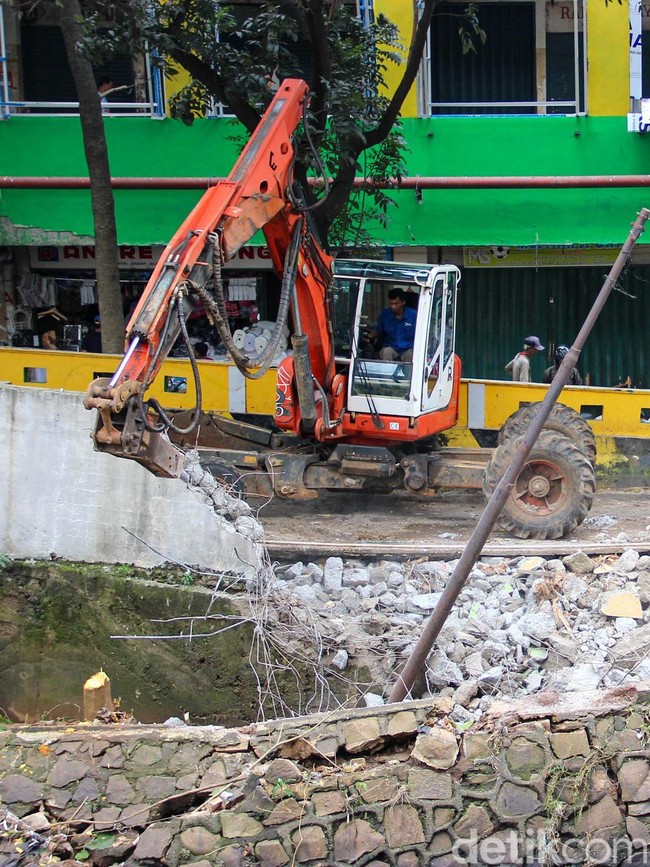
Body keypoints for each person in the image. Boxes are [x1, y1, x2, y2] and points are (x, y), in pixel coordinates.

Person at [368, 287, 417, 362]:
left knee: (410, 355)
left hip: (408, 348)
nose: (393, 306)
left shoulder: (414, 315)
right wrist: (368, 337)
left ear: (403, 302)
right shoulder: (385, 315)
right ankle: (387, 373)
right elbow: (377, 330)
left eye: (396, 303)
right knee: (386, 352)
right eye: (391, 303)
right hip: (391, 347)